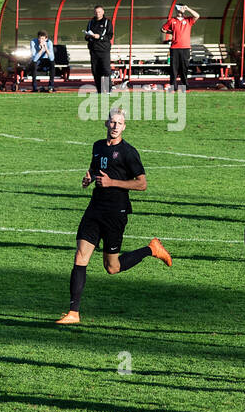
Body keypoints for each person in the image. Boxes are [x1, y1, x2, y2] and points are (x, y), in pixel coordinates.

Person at [55, 108, 172, 325]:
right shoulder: (98, 146)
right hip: (94, 209)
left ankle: (152, 249)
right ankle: (73, 312)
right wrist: (89, 177)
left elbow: (142, 184)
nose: (115, 126)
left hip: (115, 213)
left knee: (112, 267)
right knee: (80, 257)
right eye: (112, 122)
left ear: (124, 126)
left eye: (120, 123)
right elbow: (94, 167)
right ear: (106, 124)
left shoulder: (129, 152)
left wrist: (112, 183)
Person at [161, 3, 199, 90]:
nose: (179, 10)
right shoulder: (172, 20)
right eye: (178, 8)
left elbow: (197, 15)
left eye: (181, 8)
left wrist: (188, 9)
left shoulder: (188, 20)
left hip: (185, 48)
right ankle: (173, 87)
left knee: (184, 68)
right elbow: (163, 29)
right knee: (174, 68)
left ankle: (185, 86)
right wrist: (171, 32)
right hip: (174, 48)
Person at [85, 5, 113, 94]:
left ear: (103, 12)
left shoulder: (107, 22)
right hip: (93, 50)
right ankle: (99, 90)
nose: (98, 13)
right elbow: (86, 36)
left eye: (99, 12)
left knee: (106, 70)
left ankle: (108, 89)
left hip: (104, 49)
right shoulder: (91, 22)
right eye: (96, 12)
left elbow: (109, 35)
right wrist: (88, 36)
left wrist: (99, 37)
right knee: (95, 71)